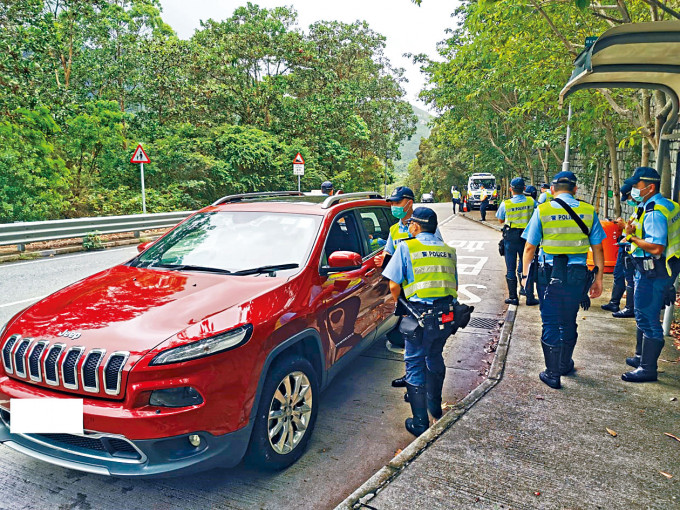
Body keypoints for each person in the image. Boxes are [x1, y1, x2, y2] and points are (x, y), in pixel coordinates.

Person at [521, 171, 605, 389]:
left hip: (549, 276)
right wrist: (598, 279)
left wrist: (524, 278)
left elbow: (530, 247)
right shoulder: (588, 211)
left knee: (550, 321)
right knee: (568, 319)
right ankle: (565, 364)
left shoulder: (543, 210)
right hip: (577, 277)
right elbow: (598, 248)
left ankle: (552, 373)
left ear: (552, 190)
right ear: (575, 189)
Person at [382, 207, 458, 436]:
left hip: (418, 316)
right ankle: (435, 407)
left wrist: (403, 308)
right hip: (445, 316)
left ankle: (420, 423)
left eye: (411, 224)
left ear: (415, 226)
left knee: (414, 361)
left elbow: (394, 284)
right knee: (434, 356)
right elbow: (453, 286)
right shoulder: (448, 250)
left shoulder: (407, 247)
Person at [375, 186, 443, 390]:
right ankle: (413, 378)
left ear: (409, 203)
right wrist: (383, 259)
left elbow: (436, 253)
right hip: (404, 290)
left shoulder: (427, 226)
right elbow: (390, 253)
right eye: (392, 204)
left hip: (425, 291)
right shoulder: (395, 229)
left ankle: (425, 386)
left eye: (397, 203)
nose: (394, 207)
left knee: (427, 343)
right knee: (411, 339)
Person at [620, 167, 680, 383]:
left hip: (654, 270)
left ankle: (647, 369)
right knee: (645, 314)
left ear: (650, 187)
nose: (634, 190)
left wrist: (631, 238)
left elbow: (656, 247)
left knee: (646, 317)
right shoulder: (665, 205)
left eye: (637, 186)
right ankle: (641, 357)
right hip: (661, 269)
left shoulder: (654, 211)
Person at [496, 178, 539, 306]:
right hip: (527, 238)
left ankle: (513, 298)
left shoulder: (506, 203)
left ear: (511, 189)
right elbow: (537, 216)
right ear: (524, 189)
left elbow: (500, 220)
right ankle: (529, 297)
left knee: (510, 268)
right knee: (527, 265)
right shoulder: (532, 202)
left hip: (510, 237)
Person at [601, 182, 636, 318]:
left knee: (630, 278)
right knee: (618, 274)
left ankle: (629, 308)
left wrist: (624, 226)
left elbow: (637, 230)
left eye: (628, 198)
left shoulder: (647, 209)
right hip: (625, 245)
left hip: (633, 248)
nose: (629, 201)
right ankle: (614, 302)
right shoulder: (639, 209)